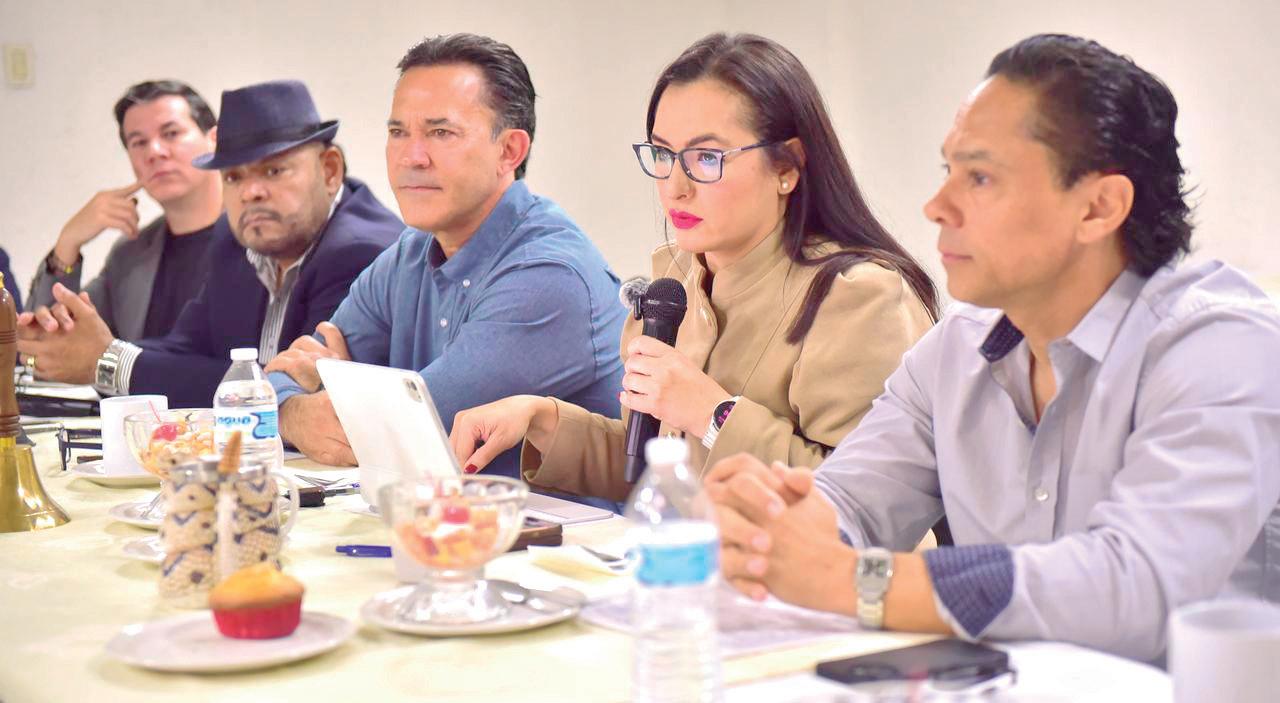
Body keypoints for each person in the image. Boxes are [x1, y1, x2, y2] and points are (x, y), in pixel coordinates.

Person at [706, 33, 1280, 662]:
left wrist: (856, 582)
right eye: (947, 172)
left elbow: (1136, 590)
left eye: (979, 177)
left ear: (1098, 207)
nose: (936, 206)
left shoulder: (1219, 345)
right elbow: (851, 501)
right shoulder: (956, 348)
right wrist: (771, 525)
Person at [449, 33, 938, 502]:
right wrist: (541, 419)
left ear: (787, 166)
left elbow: (869, 501)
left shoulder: (860, 296)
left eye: (707, 157)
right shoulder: (677, 281)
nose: (675, 187)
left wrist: (713, 413)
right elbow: (657, 469)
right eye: (664, 154)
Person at [266, 34, 626, 483]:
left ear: (509, 151)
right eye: (398, 132)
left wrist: (326, 398)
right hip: (436, 515)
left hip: (547, 526)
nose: (411, 157)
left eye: (441, 133)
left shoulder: (550, 276)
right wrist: (294, 410)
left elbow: (400, 435)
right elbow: (283, 374)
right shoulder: (410, 252)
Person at [16, 80, 403, 407]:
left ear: (330, 171)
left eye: (273, 170)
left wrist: (109, 360)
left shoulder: (360, 250)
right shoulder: (237, 239)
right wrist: (87, 347)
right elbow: (185, 347)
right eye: (233, 178)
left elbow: (288, 390)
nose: (250, 192)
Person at [25, 80, 223, 340]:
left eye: (171, 133)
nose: (154, 152)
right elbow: (43, 344)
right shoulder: (130, 255)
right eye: (139, 142)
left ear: (214, 139)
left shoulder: (260, 238)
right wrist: (68, 242)